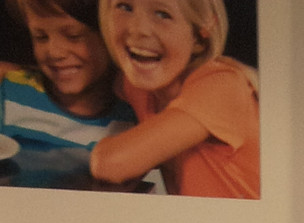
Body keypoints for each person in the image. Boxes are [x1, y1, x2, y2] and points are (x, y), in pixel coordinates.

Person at [90, 0, 260, 198]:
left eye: (162, 14)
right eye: (125, 7)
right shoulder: (137, 84)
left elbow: (112, 164)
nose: (138, 29)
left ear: (200, 33)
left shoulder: (223, 85)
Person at [0, 0, 135, 158]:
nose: (54, 52)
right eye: (41, 37)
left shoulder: (135, 113)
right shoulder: (7, 96)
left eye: (73, 36)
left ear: (111, 34)